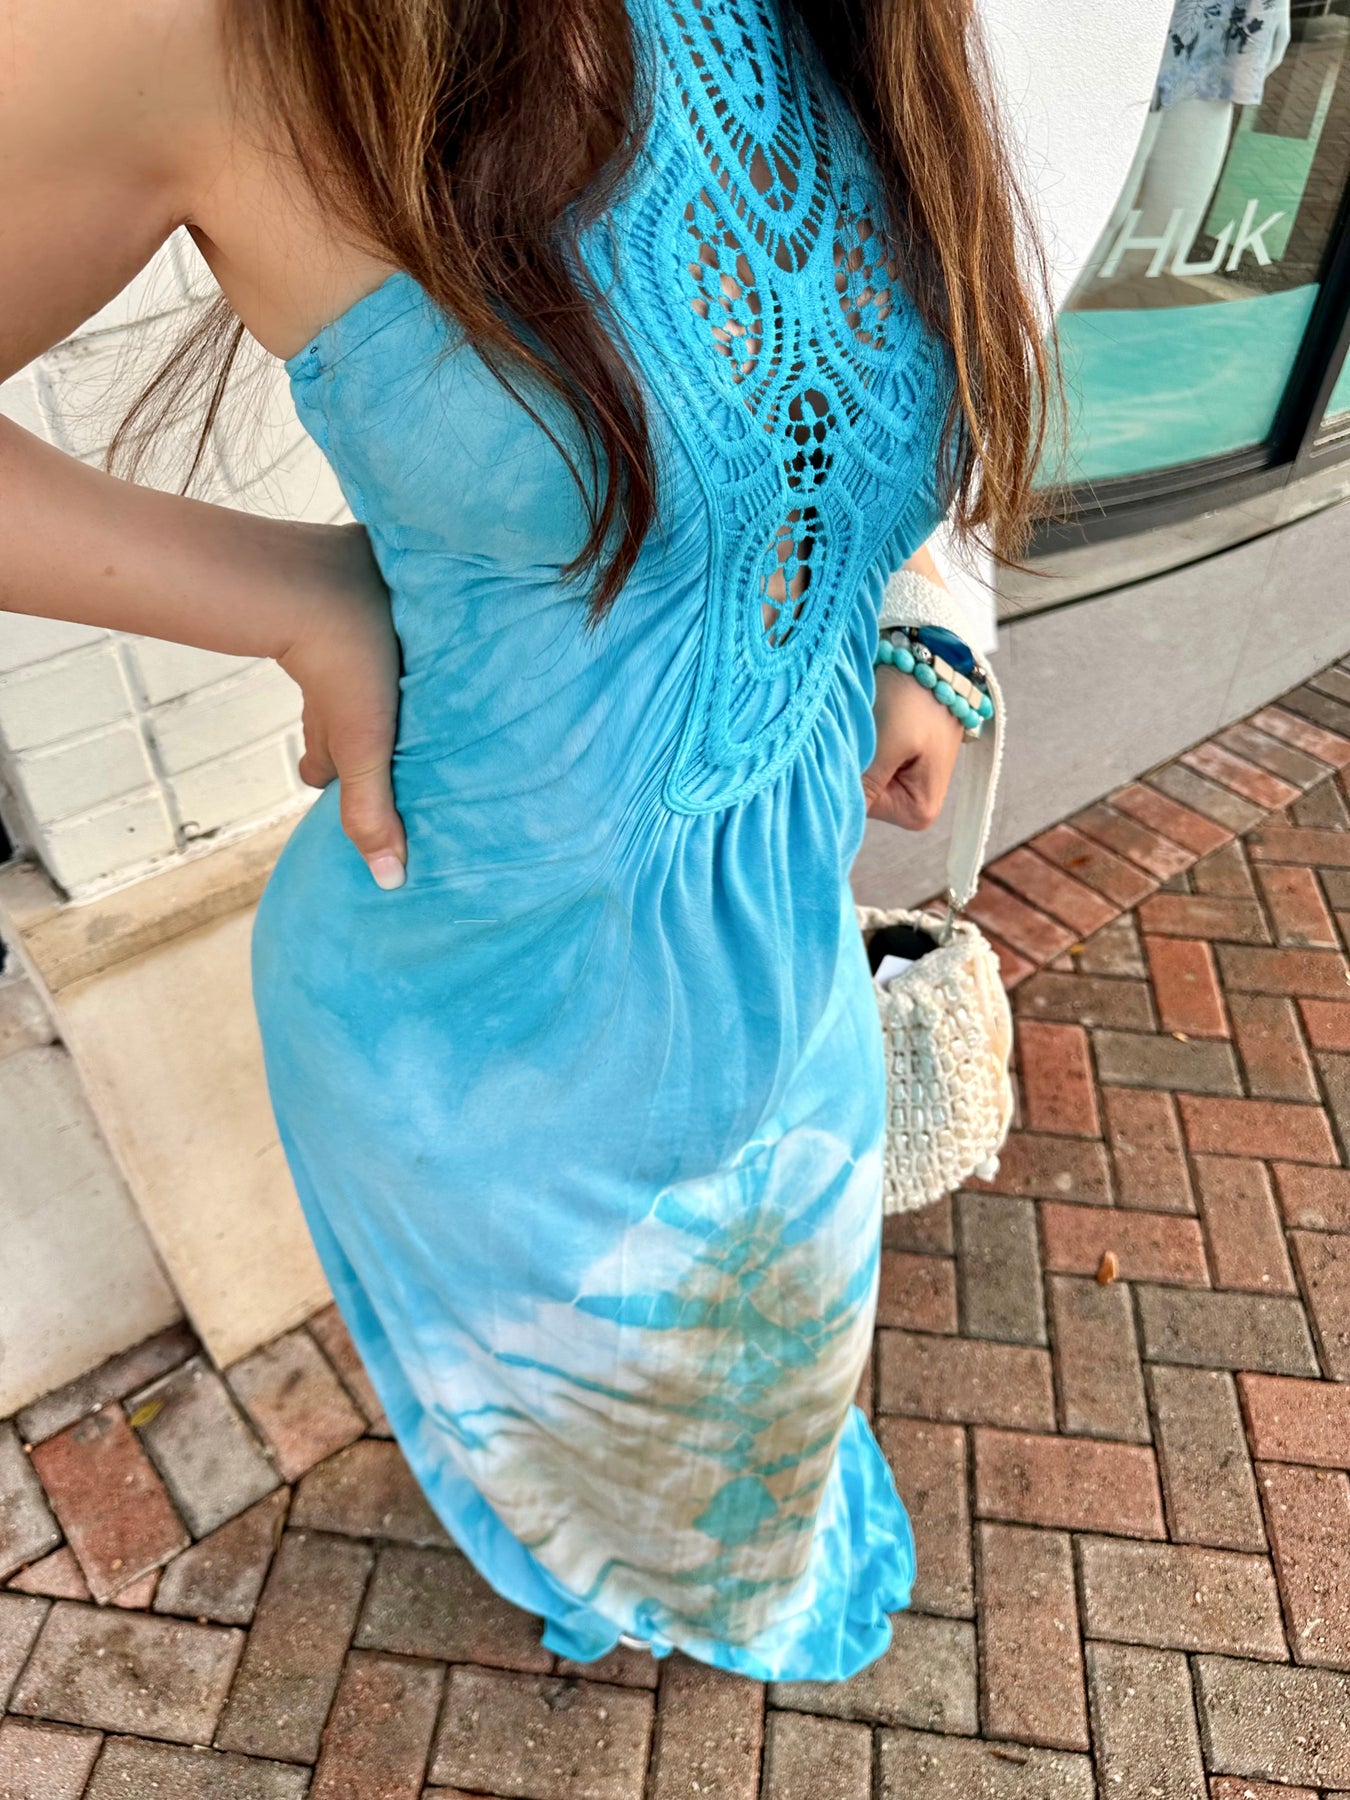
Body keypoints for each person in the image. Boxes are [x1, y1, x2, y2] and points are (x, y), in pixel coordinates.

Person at [0, 0, 1054, 1681]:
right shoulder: (204, 26)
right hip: (479, 1034)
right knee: (584, 1442)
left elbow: (845, 368)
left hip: (782, 972)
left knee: (766, 1402)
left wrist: (917, 613)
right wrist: (293, 598)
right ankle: (609, 1584)